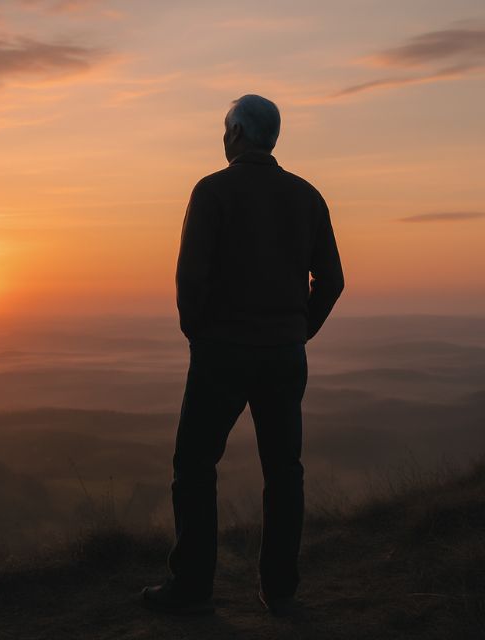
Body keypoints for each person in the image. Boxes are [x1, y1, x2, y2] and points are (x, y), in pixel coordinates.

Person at [142, 94, 344, 616]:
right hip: (284, 354)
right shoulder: (307, 196)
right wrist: (297, 331)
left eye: (224, 129)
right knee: (284, 470)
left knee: (194, 466)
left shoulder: (213, 191)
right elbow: (332, 280)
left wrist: (202, 335)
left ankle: (191, 587)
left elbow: (191, 279)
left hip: (222, 353)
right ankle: (280, 591)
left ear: (234, 134)